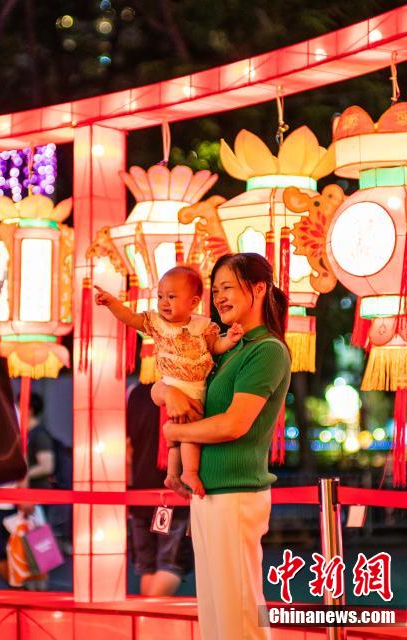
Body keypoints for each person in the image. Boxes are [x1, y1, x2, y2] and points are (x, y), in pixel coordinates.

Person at [155, 253, 291, 640]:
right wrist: (166, 391)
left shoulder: (266, 350)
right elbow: (168, 381)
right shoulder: (224, 345)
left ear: (260, 288)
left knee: (239, 614)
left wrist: (175, 434)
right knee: (215, 614)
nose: (220, 298)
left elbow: (234, 424)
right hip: (208, 493)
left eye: (229, 287)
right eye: (215, 291)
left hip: (236, 493)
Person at [95, 265, 244, 497]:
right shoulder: (157, 324)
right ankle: (189, 473)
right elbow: (130, 318)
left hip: (197, 388)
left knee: (181, 434)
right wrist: (112, 303)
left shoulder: (202, 326)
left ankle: (173, 476)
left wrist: (230, 340)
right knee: (190, 432)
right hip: (175, 384)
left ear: (193, 302)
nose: (164, 302)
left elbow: (215, 346)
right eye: (160, 296)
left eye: (172, 297)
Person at [126, 382, 193, 596]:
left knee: (150, 567)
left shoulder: (134, 392)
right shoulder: (185, 388)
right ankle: (149, 623)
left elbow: (127, 450)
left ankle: (146, 623)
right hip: (173, 495)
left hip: (140, 495)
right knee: (170, 564)